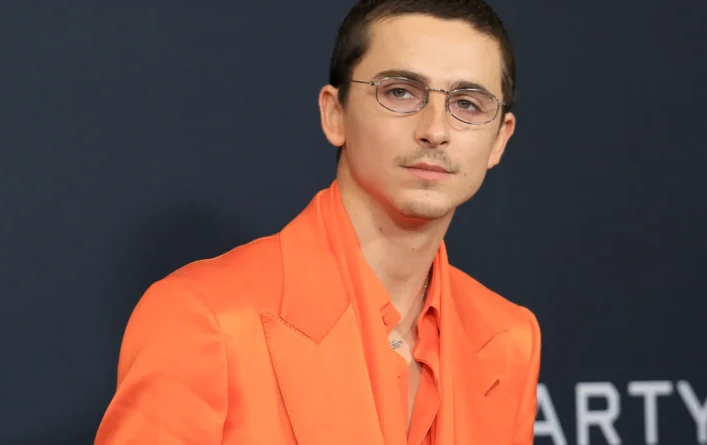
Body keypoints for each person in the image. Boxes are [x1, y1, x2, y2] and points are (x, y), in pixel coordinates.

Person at [94, 0, 541, 444]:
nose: (435, 130)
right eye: (401, 92)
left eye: (467, 103)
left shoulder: (510, 340)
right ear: (335, 114)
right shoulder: (205, 317)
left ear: (499, 140)